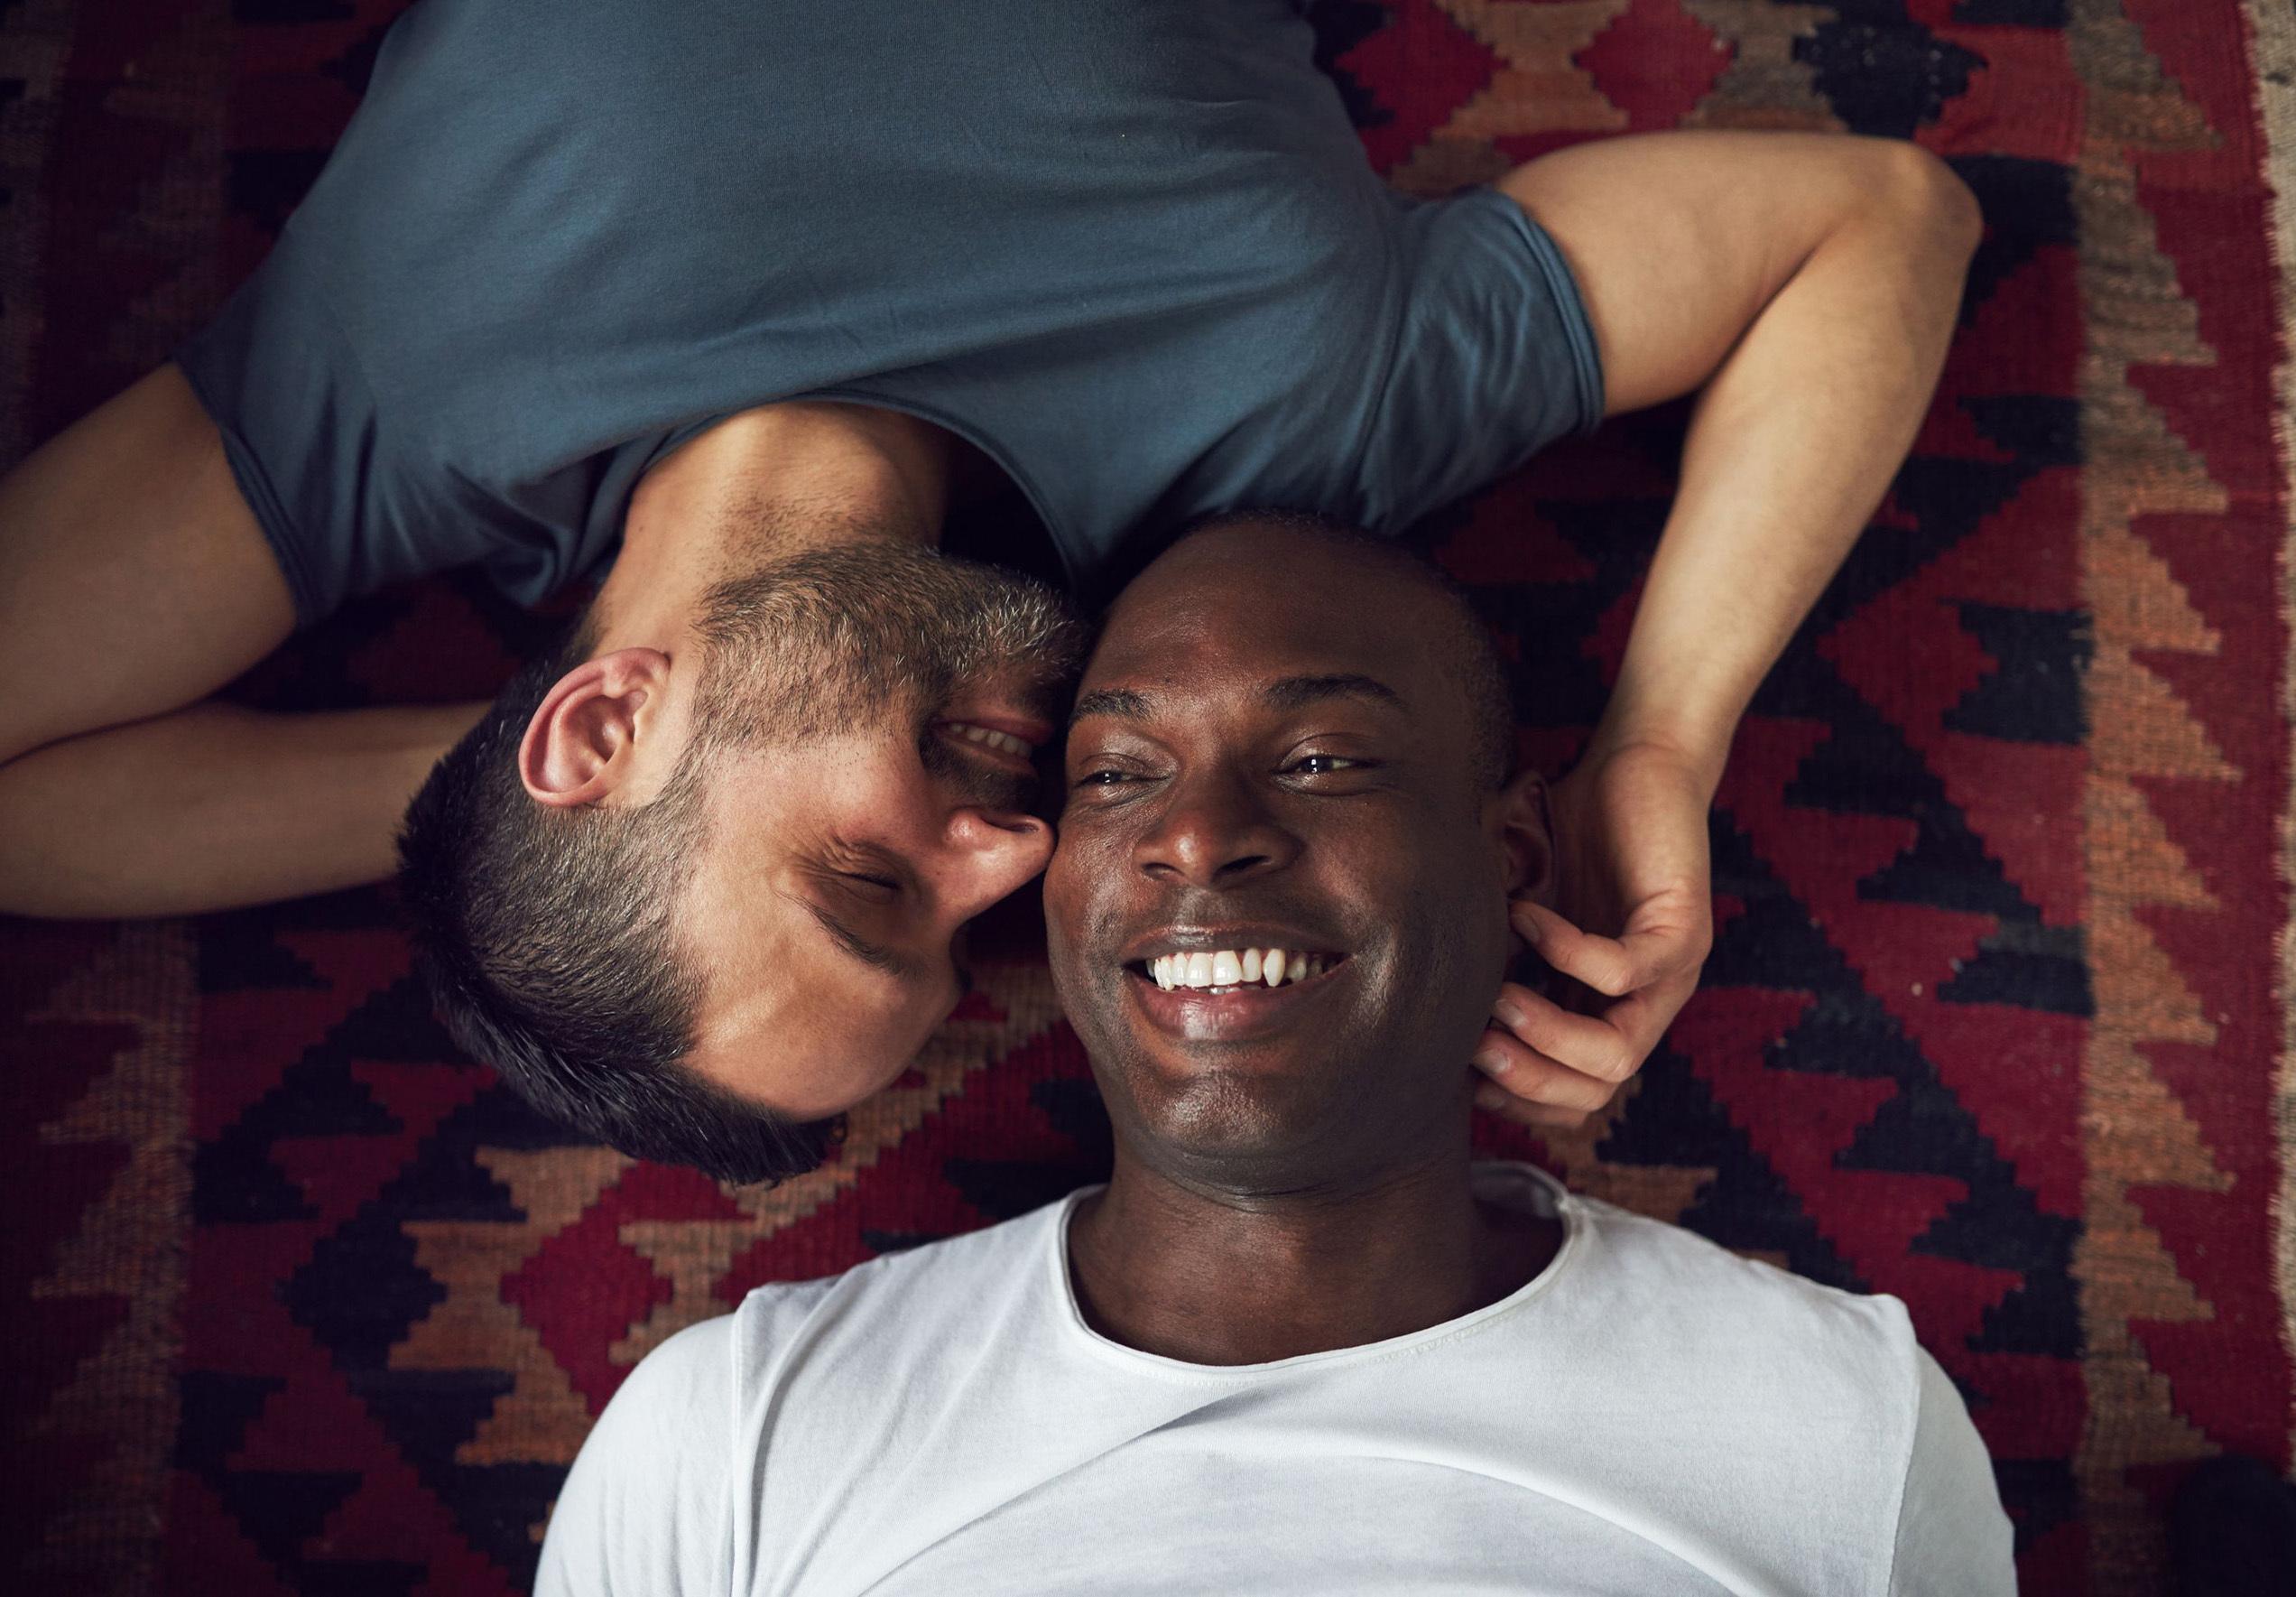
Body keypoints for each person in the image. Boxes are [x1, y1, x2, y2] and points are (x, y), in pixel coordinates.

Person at [0, 1, 1983, 1178]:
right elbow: (1877, 221)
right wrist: (1655, 749)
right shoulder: (1285, 436)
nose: (1015, 851)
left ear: (594, 727)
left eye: (871, 882)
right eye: (963, 930)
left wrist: (512, 762)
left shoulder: (415, 380)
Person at [533, 517, 2016, 1596]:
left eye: (1320, 759)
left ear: (1512, 851)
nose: (1192, 835)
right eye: (1115, 774)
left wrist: (1656, 752)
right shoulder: (736, 1436)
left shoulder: (1838, 1426)